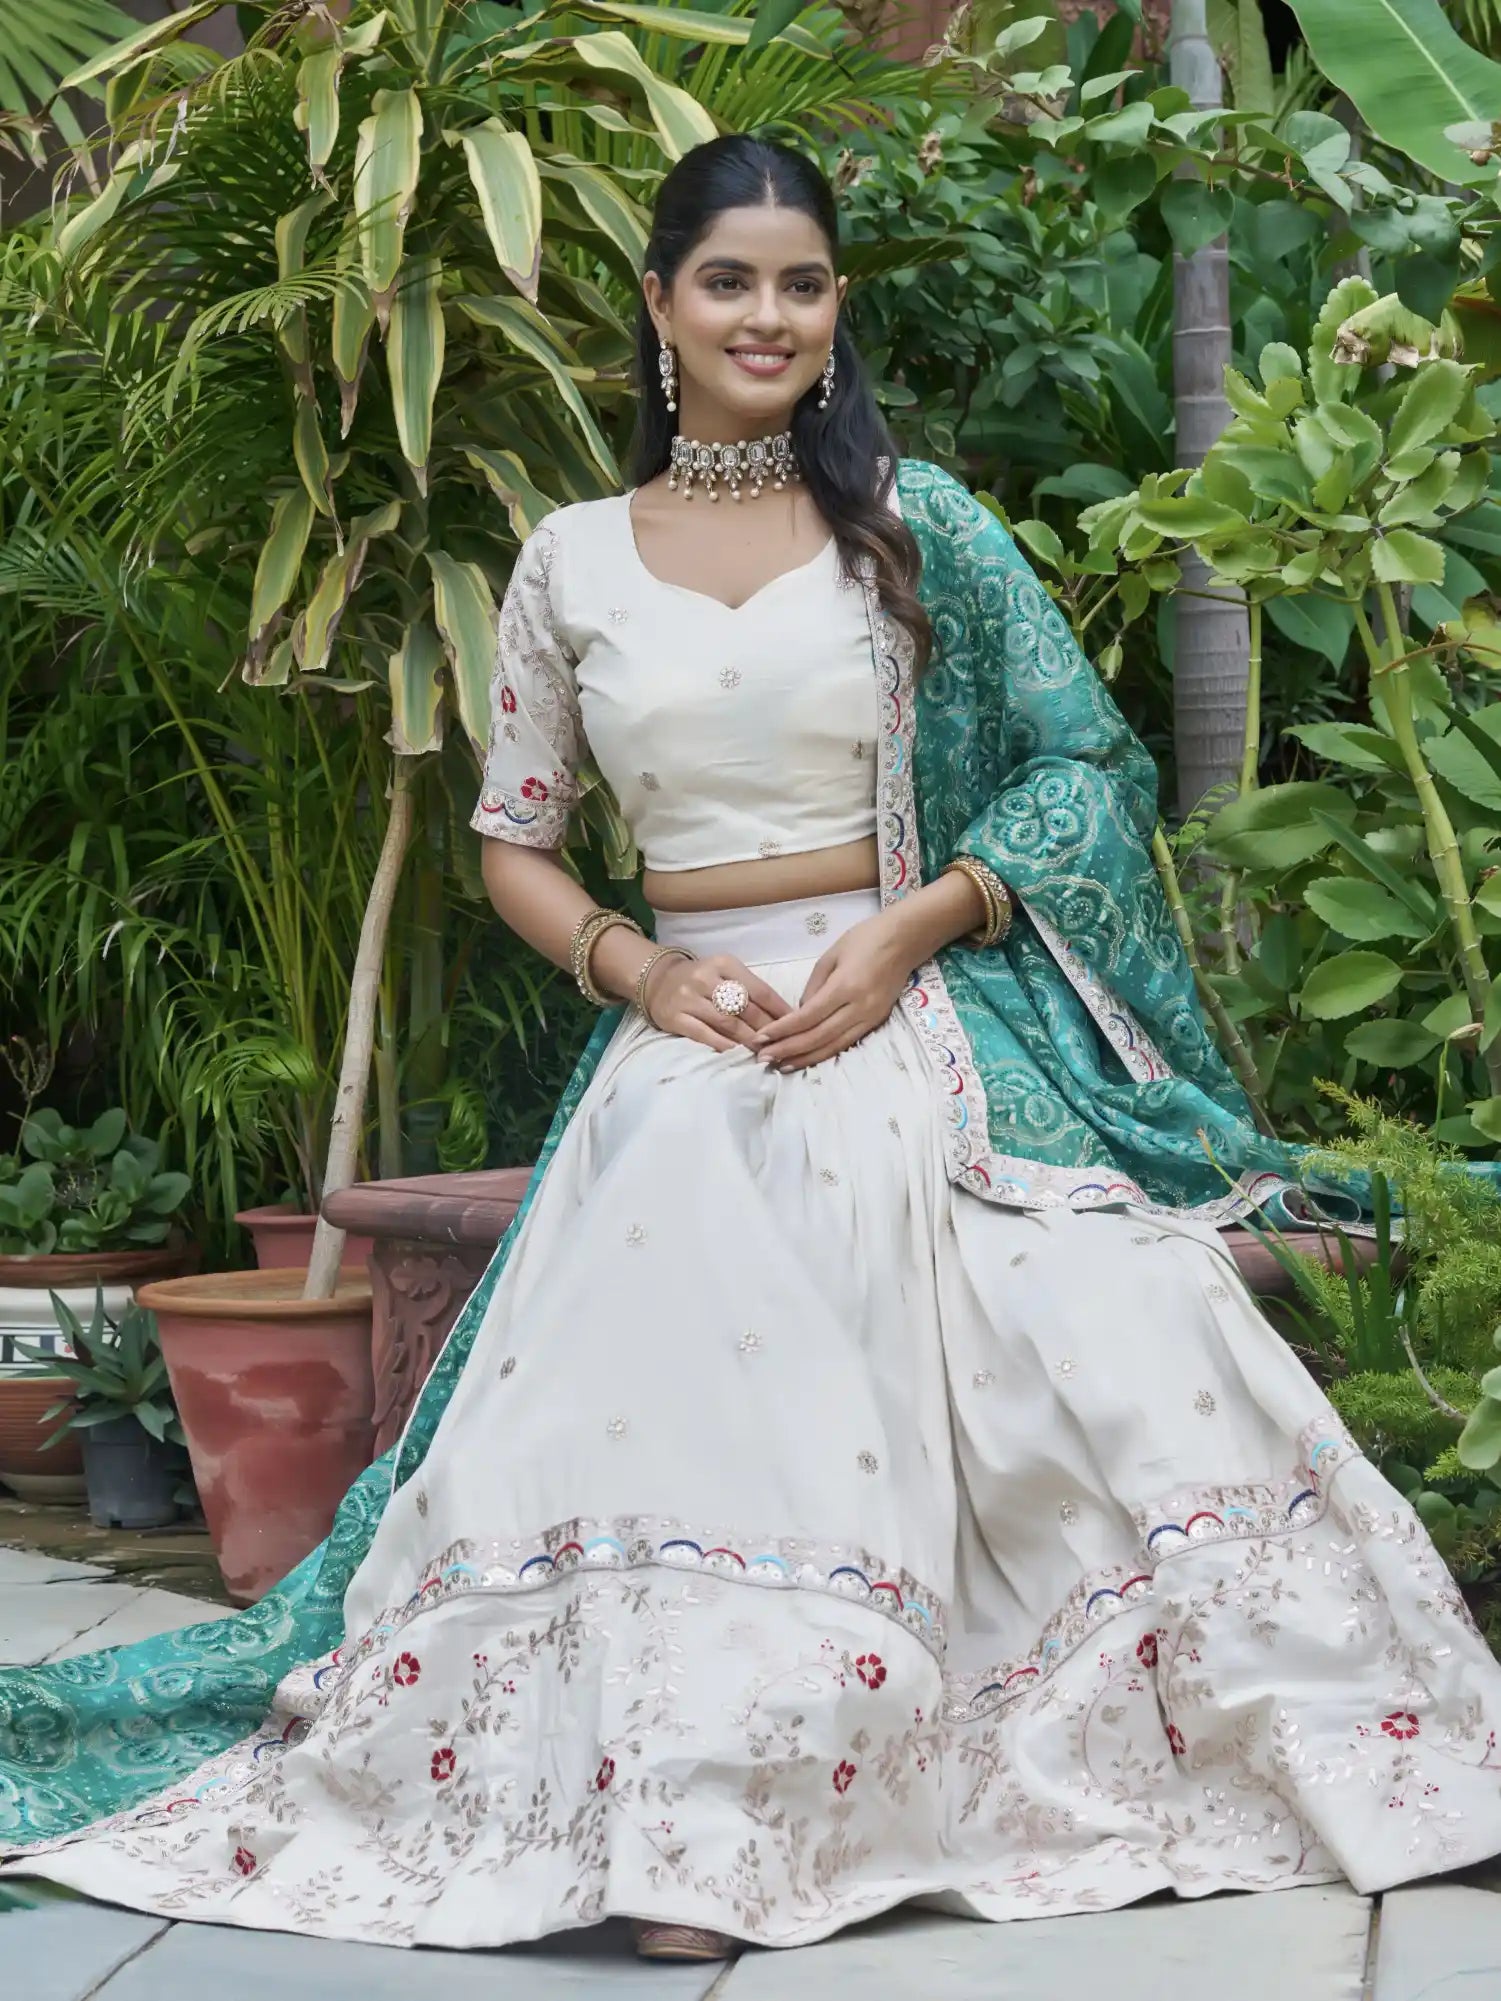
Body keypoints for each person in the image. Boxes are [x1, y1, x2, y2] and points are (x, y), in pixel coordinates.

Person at [4, 134, 1501, 1963]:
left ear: (834, 306)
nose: (765, 315)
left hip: (909, 1020)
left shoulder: (913, 524)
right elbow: (517, 843)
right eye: (727, 281)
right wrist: (638, 971)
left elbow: (1077, 767)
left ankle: (1279, 1738)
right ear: (658, 302)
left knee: (1125, 1319)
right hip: (689, 1032)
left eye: (800, 282)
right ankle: (694, 1817)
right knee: (692, 1281)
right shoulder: (568, 562)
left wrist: (912, 923)